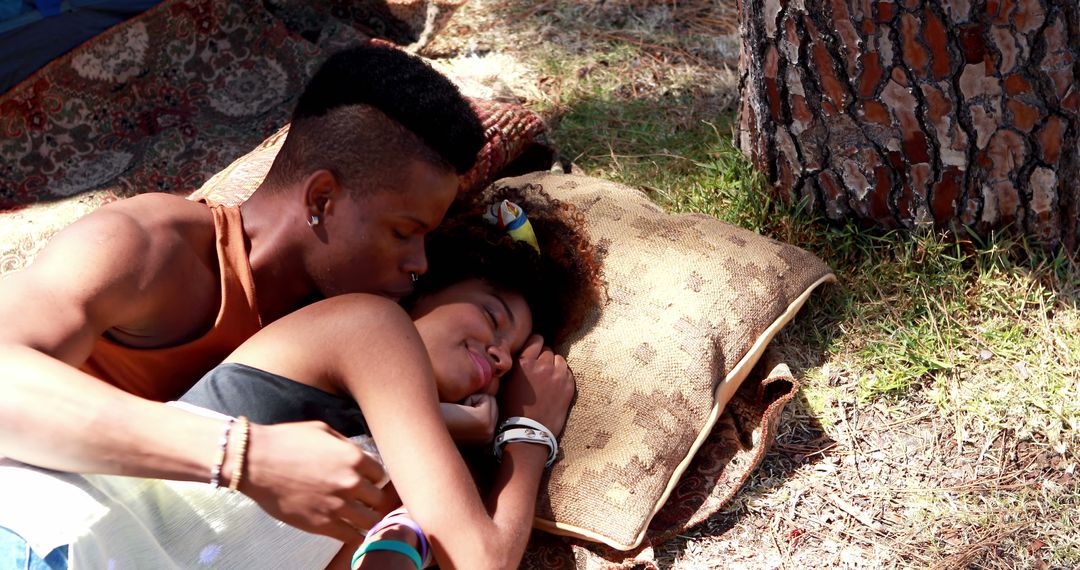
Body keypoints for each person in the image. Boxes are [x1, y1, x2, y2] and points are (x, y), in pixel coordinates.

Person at [0, 42, 486, 545]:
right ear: (322, 198)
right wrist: (242, 456)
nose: (418, 263)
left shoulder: (337, 323)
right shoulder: (148, 246)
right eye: (403, 231)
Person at [0, 185, 603, 569]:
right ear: (424, 288)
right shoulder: (369, 324)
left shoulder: (405, 488)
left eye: (512, 355)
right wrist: (528, 433)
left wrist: (462, 430)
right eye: (492, 317)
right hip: (47, 539)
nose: (499, 356)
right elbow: (481, 561)